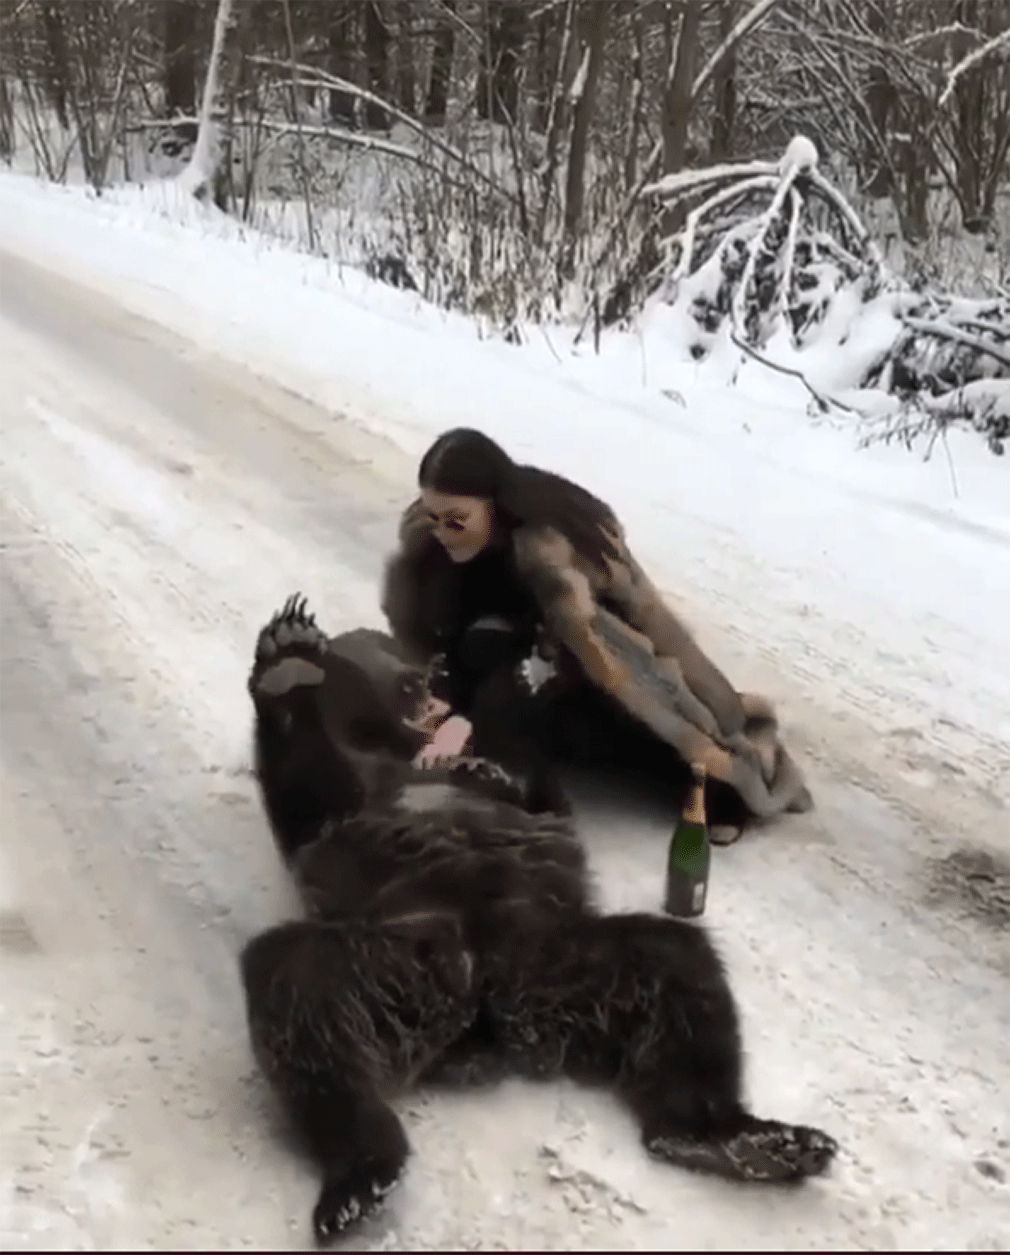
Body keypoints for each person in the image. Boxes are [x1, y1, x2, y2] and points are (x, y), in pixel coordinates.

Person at [380, 427, 813, 840]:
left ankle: (724, 791)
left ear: (496, 505)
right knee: (484, 669)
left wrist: (709, 746)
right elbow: (451, 630)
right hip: (527, 643)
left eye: (455, 521)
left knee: (583, 719)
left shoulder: (549, 554)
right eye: (433, 518)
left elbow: (623, 663)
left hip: (595, 658)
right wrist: (447, 696)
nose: (442, 532)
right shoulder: (439, 542)